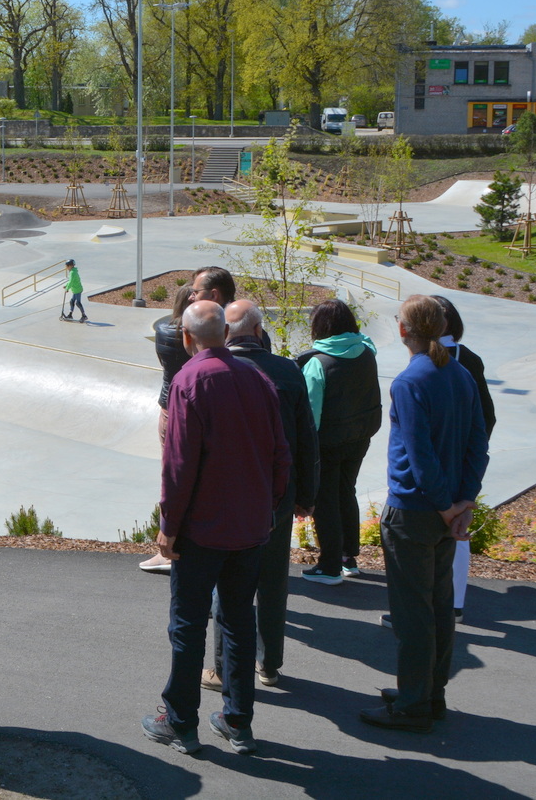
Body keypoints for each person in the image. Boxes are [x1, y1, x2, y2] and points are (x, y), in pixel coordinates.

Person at [143, 301, 290, 757]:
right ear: (224, 335)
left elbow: (180, 464)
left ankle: (181, 723)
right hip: (250, 527)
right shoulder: (259, 379)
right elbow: (282, 455)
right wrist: (268, 505)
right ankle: (237, 720)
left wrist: (169, 525)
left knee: (187, 625)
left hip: (202, 531)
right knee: (239, 621)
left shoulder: (190, 381)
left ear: (187, 338)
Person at [359, 295, 489, 734]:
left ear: (404, 330)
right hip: (447, 513)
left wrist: (444, 504)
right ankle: (430, 695)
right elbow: (478, 444)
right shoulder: (460, 374)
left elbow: (419, 455)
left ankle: (413, 705)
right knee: (437, 610)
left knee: (412, 615)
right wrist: (464, 501)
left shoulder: (410, 380)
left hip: (415, 511)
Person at [208, 300, 318, 690]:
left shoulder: (213, 372)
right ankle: (268, 664)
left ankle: (221, 668)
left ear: (225, 335)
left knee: (230, 583)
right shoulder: (287, 370)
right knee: (273, 581)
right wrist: (307, 495)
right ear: (258, 332)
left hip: (229, 499)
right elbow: (306, 438)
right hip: (278, 495)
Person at [295, 299, 381, 585]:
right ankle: (348, 558)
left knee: (325, 499)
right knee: (346, 491)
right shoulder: (367, 351)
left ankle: (329, 566)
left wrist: (303, 452)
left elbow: (310, 415)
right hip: (360, 436)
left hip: (328, 442)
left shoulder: (317, 364)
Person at [433, 295, 496, 622]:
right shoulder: (470, 358)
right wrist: (473, 455)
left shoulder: (428, 358)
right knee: (458, 531)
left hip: (434, 461)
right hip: (462, 461)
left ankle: (421, 608)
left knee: (426, 535)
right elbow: (488, 417)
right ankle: (454, 603)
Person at [143, 282, 195, 574]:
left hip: (168, 407)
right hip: (184, 405)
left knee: (172, 475)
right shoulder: (185, 335)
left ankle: (169, 543)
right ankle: (175, 546)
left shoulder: (163, 329)